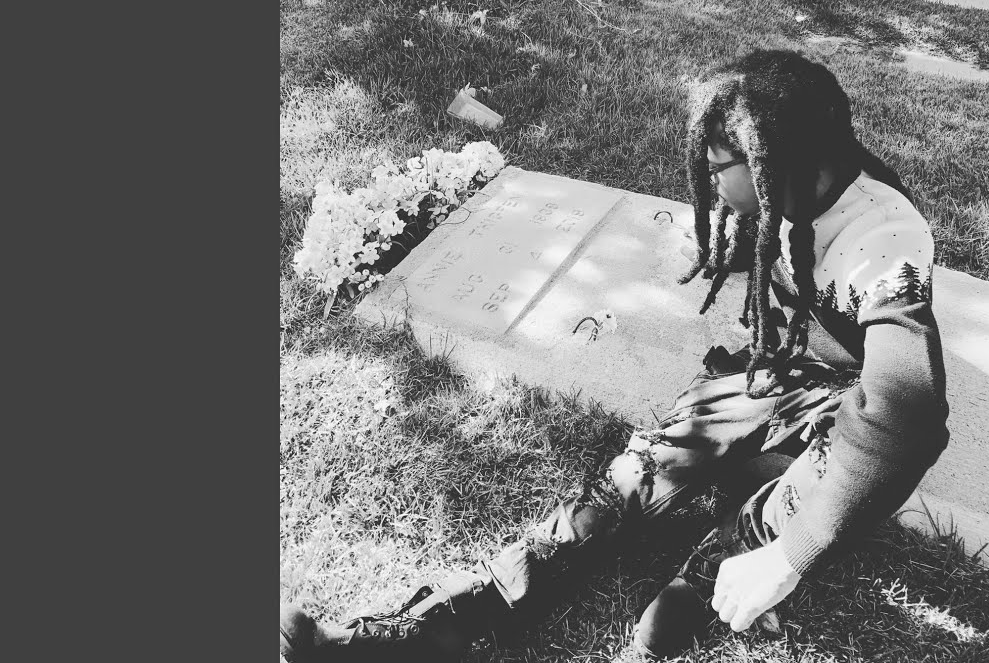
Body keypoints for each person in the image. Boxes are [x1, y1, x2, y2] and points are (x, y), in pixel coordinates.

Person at [279, 49, 951, 661]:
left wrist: (789, 558)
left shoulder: (884, 242)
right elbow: (769, 228)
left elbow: (909, 418)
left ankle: (711, 576)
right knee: (637, 472)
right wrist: (727, 247)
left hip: (845, 392)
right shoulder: (797, 180)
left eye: (718, 166)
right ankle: (450, 621)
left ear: (774, 160)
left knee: (826, 468)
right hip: (778, 366)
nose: (706, 179)